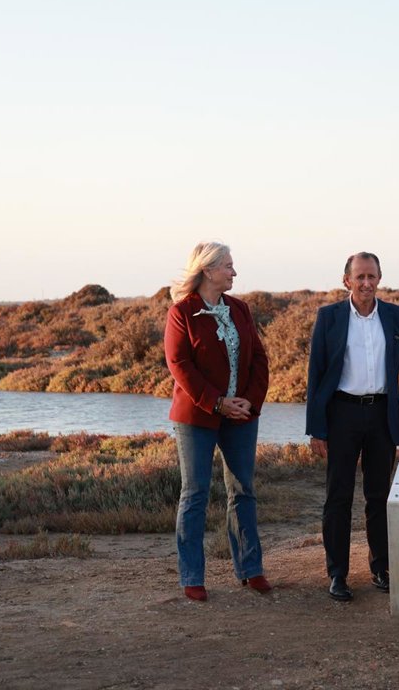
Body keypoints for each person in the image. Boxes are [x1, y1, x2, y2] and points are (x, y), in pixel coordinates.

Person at [306, 252, 399, 602]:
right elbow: (316, 375)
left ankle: (381, 567)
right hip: (342, 415)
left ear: (379, 279)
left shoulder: (396, 317)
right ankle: (337, 574)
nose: (366, 283)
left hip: (382, 414)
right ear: (346, 280)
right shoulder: (329, 317)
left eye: (371, 276)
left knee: (379, 495)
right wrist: (316, 429)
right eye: (360, 277)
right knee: (338, 496)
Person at [164, 241, 270, 602]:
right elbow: (180, 366)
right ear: (208, 270)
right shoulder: (182, 313)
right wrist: (218, 403)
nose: (234, 272)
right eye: (228, 266)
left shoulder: (240, 309)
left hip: (241, 415)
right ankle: (192, 576)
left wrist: (248, 402)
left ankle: (251, 569)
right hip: (197, 416)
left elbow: (259, 359)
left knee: (243, 490)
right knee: (195, 493)